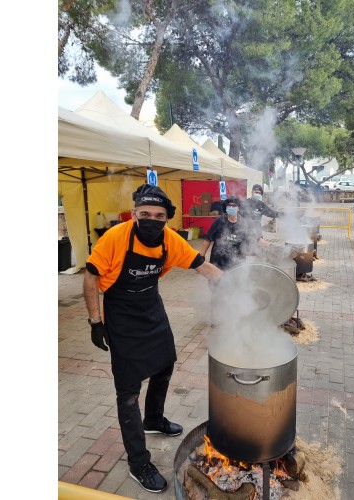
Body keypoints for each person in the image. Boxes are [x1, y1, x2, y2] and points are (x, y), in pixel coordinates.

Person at [83, 184, 222, 493]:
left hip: (151, 305)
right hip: (120, 311)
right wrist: (95, 321)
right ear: (134, 214)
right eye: (144, 214)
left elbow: (204, 267)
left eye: (158, 215)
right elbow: (91, 276)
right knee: (128, 391)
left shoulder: (171, 240)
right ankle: (138, 462)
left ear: (166, 220)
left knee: (164, 364)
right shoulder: (115, 238)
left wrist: (238, 287)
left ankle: (154, 419)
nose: (151, 220)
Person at [199, 196, 262, 270]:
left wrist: (270, 247)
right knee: (217, 281)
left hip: (237, 263)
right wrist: (201, 257)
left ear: (238, 208)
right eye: (229, 206)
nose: (231, 208)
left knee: (235, 281)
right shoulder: (219, 221)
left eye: (234, 206)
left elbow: (256, 239)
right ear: (226, 208)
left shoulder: (244, 224)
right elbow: (208, 239)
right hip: (218, 262)